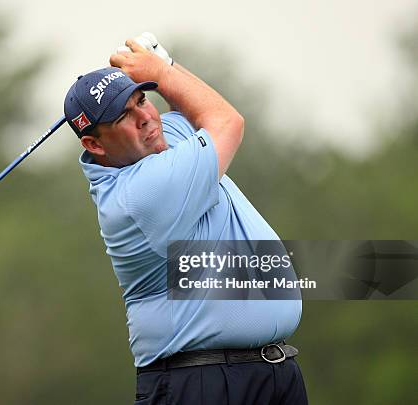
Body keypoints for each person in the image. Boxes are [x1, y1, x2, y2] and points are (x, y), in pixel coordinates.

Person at [64, 34, 308, 405]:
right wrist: (163, 70)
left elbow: (194, 109)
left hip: (269, 373)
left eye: (143, 99)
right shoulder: (138, 193)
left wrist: (162, 62)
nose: (147, 117)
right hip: (200, 381)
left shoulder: (160, 142)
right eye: (124, 115)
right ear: (95, 145)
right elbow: (227, 121)